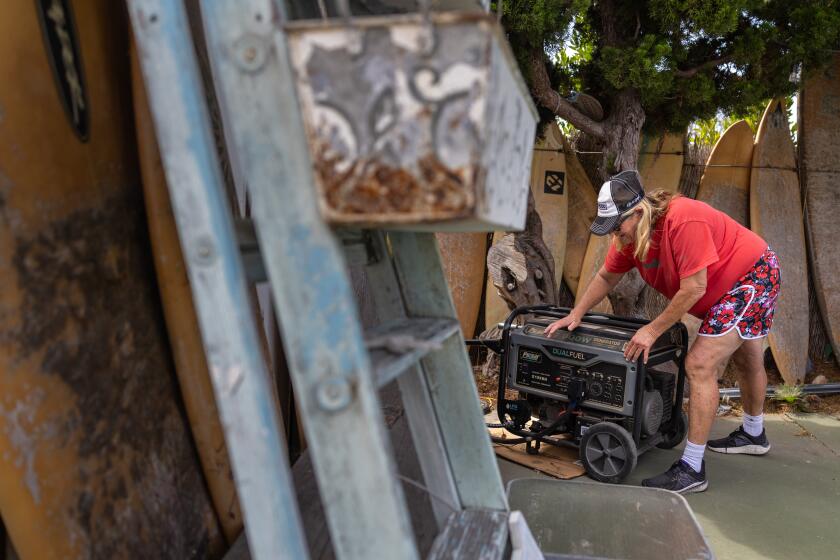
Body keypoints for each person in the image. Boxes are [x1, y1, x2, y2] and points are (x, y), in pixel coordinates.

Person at [545, 170, 780, 493]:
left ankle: (692, 470)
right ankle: (754, 434)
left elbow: (694, 287)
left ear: (638, 213)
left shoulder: (683, 221)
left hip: (752, 276)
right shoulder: (632, 237)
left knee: (699, 365)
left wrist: (651, 330)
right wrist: (575, 313)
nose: (615, 236)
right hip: (729, 283)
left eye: (617, 227)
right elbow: (605, 277)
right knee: (747, 357)